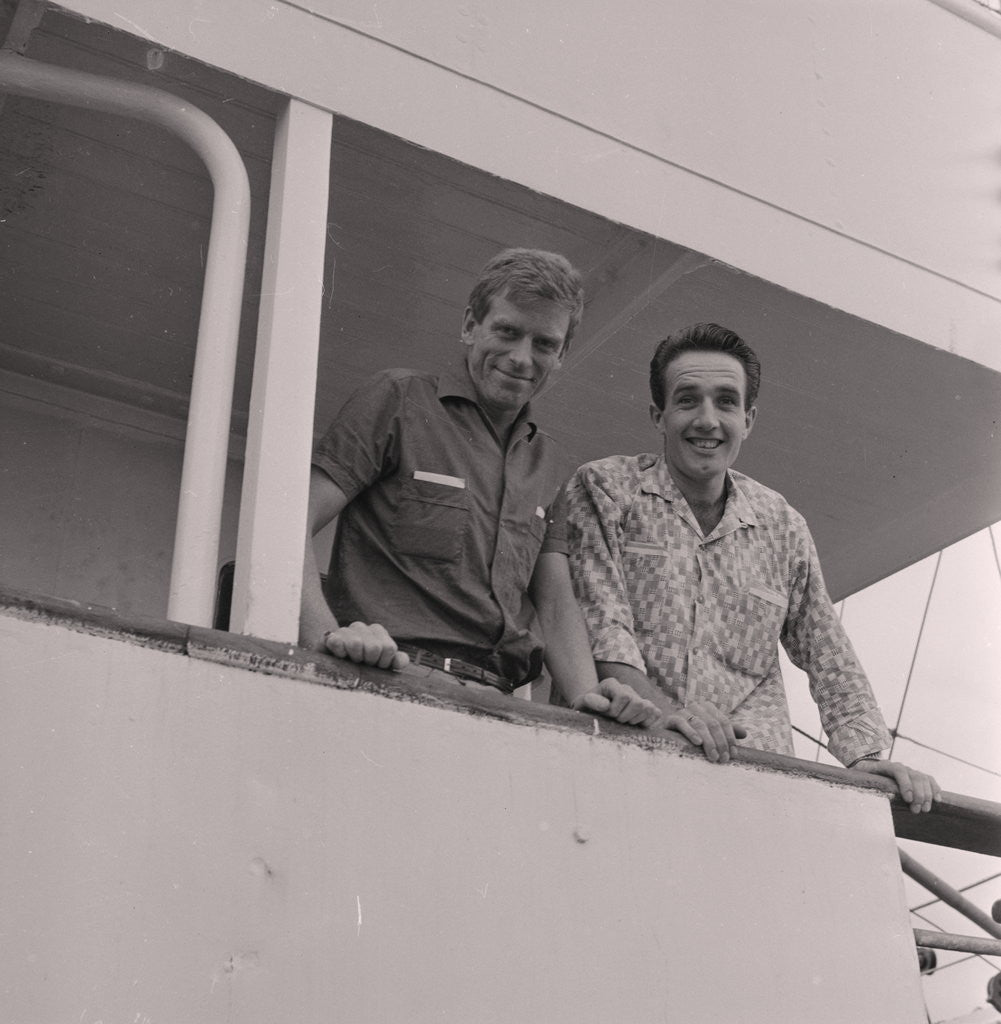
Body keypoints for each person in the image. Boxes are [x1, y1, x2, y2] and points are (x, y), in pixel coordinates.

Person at [564, 322, 940, 812]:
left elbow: (827, 649)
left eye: (725, 401)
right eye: (687, 400)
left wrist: (864, 756)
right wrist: (673, 716)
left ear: (749, 418)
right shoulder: (606, 490)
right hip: (627, 764)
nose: (707, 420)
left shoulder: (782, 525)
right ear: (658, 415)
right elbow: (603, 624)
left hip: (752, 790)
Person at [299, 247, 660, 728]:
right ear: (471, 325)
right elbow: (287, 523)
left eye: (544, 344)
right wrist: (326, 642)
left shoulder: (548, 460)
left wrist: (589, 696)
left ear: (561, 355)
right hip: (392, 685)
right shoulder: (397, 401)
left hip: (501, 709)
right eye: (507, 332)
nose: (520, 358)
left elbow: (553, 601)